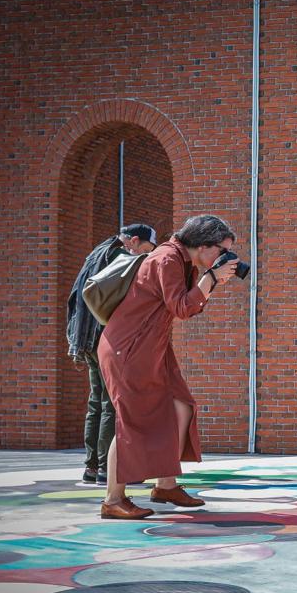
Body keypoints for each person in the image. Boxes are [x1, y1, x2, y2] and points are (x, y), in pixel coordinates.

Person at [97, 214, 240, 520]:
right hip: (129, 349)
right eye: (221, 251)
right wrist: (211, 278)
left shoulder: (182, 260)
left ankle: (165, 485)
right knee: (132, 421)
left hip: (153, 347)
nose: (223, 258)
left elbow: (184, 305)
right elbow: (183, 307)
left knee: (180, 406)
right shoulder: (167, 259)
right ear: (203, 245)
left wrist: (208, 278)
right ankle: (113, 499)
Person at [65, 224, 158, 485]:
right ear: (135, 241)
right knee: (111, 404)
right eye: (147, 250)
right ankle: (108, 467)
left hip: (85, 336)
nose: (147, 256)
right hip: (105, 337)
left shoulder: (98, 251)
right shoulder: (121, 257)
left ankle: (91, 467)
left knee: (96, 403)